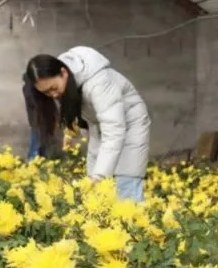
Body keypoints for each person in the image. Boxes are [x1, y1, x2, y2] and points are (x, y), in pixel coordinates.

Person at [25, 46, 151, 202]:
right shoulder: (69, 84)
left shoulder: (98, 83)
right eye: (47, 93)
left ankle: (134, 215)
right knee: (94, 184)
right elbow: (88, 119)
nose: (53, 95)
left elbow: (114, 129)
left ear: (63, 73)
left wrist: (99, 175)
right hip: (100, 127)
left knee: (126, 180)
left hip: (130, 124)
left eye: (53, 88)